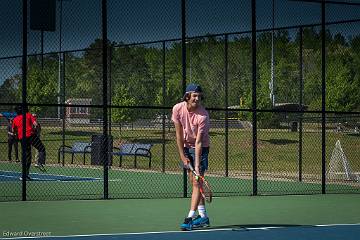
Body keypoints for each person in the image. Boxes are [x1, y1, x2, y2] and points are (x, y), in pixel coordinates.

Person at [171, 83, 211, 231]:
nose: (197, 99)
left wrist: (196, 166)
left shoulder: (203, 116)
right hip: (187, 146)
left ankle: (189, 218)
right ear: (187, 96)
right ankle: (203, 217)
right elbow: (178, 135)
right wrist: (183, 156)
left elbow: (199, 142)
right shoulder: (177, 109)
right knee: (194, 182)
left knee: (196, 182)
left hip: (201, 147)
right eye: (194, 96)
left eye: (199, 96)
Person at [12, 105, 46, 180]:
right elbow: (36, 124)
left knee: (27, 156)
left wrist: (16, 134)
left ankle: (24, 175)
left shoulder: (15, 119)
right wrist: (35, 131)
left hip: (22, 139)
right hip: (31, 136)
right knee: (41, 148)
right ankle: (40, 162)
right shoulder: (28, 115)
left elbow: (13, 131)